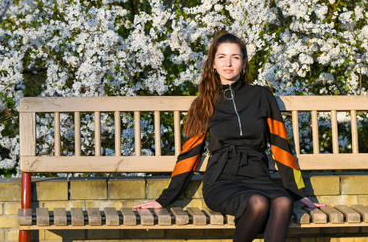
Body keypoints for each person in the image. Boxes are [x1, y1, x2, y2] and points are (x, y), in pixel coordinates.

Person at [134, 33, 325, 242]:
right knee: (258, 203)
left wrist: (298, 192)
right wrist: (164, 199)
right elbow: (189, 154)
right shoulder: (203, 102)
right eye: (222, 57)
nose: (228, 63)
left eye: (235, 57)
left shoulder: (262, 96)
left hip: (257, 175)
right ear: (213, 64)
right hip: (222, 179)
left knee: (283, 201)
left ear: (244, 63)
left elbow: (281, 146)